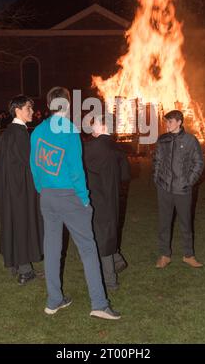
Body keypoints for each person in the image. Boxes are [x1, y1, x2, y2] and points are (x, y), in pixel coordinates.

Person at [30, 87, 120, 319]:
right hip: (69, 196)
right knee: (88, 249)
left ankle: (54, 300)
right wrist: (84, 199)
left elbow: (34, 165)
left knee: (51, 249)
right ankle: (99, 304)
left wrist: (42, 189)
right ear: (67, 105)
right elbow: (76, 171)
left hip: (47, 196)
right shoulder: (69, 130)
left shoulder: (37, 131)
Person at [0, 95, 44, 285]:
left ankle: (17, 265)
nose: (32, 112)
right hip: (20, 189)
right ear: (18, 110)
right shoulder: (20, 133)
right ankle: (25, 272)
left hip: (9, 189)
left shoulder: (8, 132)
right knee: (23, 224)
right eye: (28, 109)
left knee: (14, 223)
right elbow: (30, 163)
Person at [153, 110, 204, 268]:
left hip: (182, 189)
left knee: (185, 223)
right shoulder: (162, 140)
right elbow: (156, 160)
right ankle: (164, 255)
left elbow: (199, 163)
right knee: (164, 223)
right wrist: (157, 179)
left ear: (179, 122)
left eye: (170, 122)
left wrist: (189, 181)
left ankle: (188, 255)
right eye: (166, 121)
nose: (167, 124)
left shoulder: (190, 140)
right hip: (164, 189)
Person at [84, 114, 130, 291]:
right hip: (114, 198)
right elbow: (125, 175)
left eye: (93, 124)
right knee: (108, 232)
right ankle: (118, 260)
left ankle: (110, 281)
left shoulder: (90, 147)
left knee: (101, 238)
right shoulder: (118, 147)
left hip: (96, 198)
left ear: (103, 127)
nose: (90, 127)